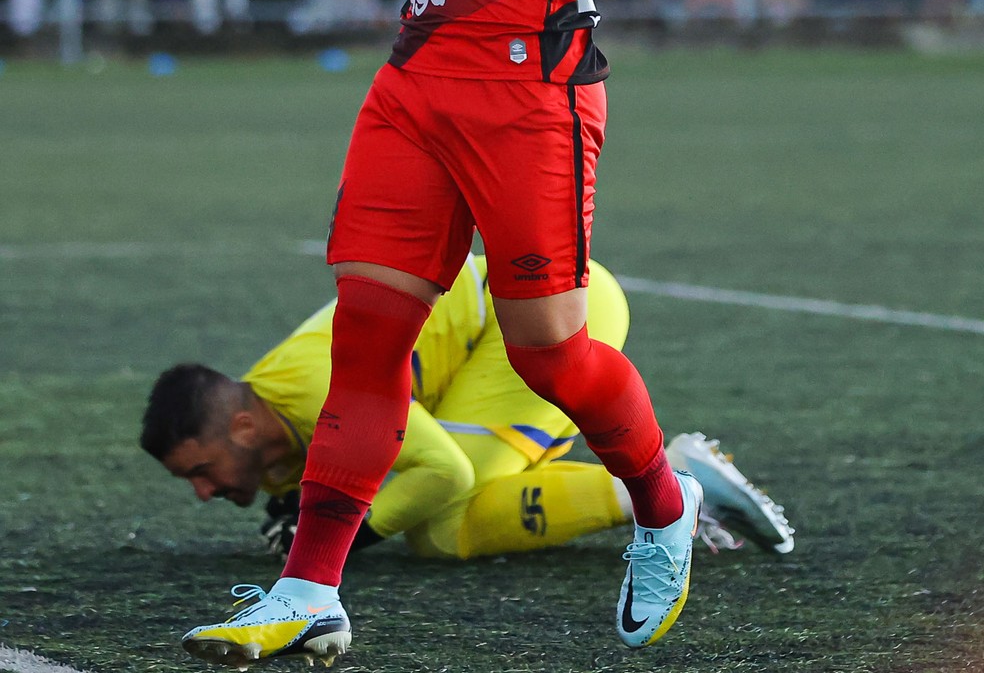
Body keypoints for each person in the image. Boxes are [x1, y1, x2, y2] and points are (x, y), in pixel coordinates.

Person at [164, 0, 718, 666]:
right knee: (368, 337)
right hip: (414, 84)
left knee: (553, 353)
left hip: (528, 93)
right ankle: (310, 586)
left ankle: (663, 503)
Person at [142, 255, 794, 563]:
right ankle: (660, 483)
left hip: (536, 324)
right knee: (443, 498)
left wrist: (353, 535)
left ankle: (671, 486)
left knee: (442, 524)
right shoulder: (268, 415)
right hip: (522, 322)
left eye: (201, 469)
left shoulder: (312, 389)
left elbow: (443, 472)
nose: (202, 492)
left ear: (243, 425)